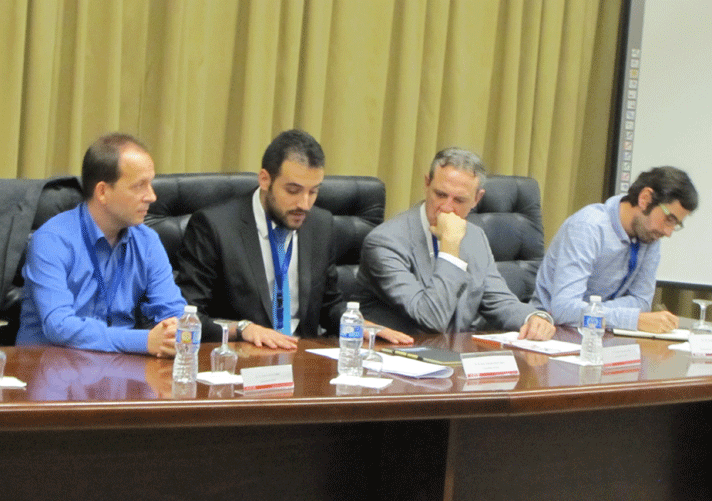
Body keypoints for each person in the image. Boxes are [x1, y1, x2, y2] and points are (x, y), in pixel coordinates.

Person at [175, 129, 413, 349]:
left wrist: (359, 324)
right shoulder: (214, 226)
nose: (304, 204)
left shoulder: (320, 225)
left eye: (314, 191)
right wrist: (244, 329)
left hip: (303, 359)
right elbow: (188, 316)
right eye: (293, 190)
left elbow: (328, 306)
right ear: (265, 179)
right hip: (244, 357)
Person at [356, 147, 555, 339]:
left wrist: (534, 318)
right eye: (440, 195)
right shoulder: (385, 242)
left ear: (477, 199)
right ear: (427, 184)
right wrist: (450, 248)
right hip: (398, 357)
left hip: (456, 358)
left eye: (459, 200)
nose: (447, 208)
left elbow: (498, 300)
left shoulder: (474, 236)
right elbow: (431, 319)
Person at [16, 133, 186, 356]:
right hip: (50, 368)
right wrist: (143, 340)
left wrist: (174, 330)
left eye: (151, 184)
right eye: (139, 186)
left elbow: (175, 313)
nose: (152, 196)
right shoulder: (52, 240)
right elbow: (59, 327)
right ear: (103, 192)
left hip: (120, 370)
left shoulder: (147, 241)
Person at [532, 166, 698, 333]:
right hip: (551, 332)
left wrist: (595, 312)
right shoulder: (588, 227)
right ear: (645, 199)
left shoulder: (651, 236)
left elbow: (642, 302)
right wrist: (631, 318)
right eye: (669, 219)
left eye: (676, 224)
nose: (668, 232)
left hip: (603, 333)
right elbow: (564, 309)